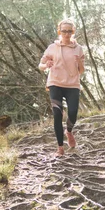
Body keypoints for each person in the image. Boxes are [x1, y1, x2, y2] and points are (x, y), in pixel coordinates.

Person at [39, 19, 85, 156]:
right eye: (64, 31)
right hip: (55, 83)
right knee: (57, 114)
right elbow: (40, 66)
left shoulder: (78, 48)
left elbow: (81, 70)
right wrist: (46, 65)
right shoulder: (52, 47)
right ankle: (60, 147)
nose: (66, 34)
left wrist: (78, 62)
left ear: (73, 32)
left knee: (73, 113)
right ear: (59, 32)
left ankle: (69, 131)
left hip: (72, 84)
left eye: (69, 31)